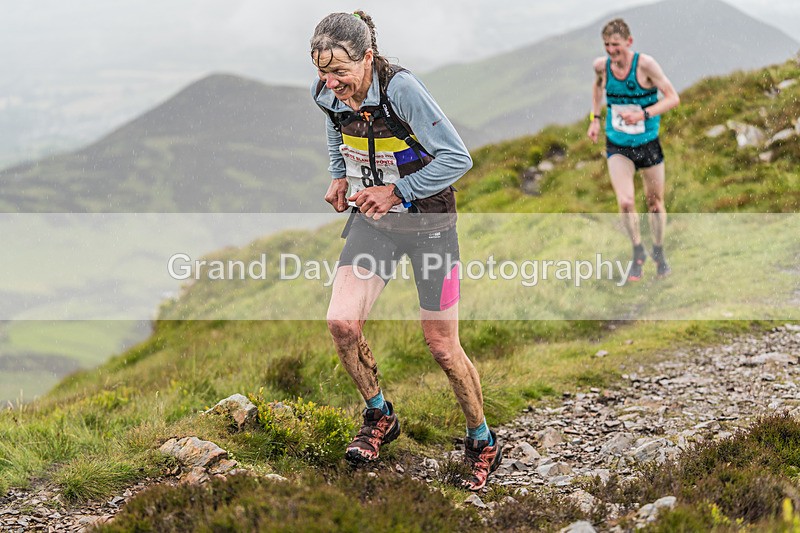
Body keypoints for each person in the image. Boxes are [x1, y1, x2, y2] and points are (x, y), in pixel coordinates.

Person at [310, 11, 502, 491]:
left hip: (430, 224)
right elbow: (335, 127)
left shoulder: (402, 90)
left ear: (367, 58)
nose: (331, 84)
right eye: (323, 73)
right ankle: (380, 415)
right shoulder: (327, 92)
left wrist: (397, 192)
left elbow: (458, 158)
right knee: (341, 323)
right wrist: (339, 174)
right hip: (374, 222)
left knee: (441, 345)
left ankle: (481, 440)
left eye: (340, 72)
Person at [587, 18, 680, 281]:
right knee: (626, 202)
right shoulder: (601, 66)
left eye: (616, 45)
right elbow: (597, 87)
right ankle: (638, 250)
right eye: (606, 45)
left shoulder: (645, 65)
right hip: (618, 144)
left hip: (647, 143)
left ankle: (658, 251)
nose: (611, 50)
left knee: (654, 203)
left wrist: (643, 114)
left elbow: (673, 98)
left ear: (629, 42)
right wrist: (595, 119)